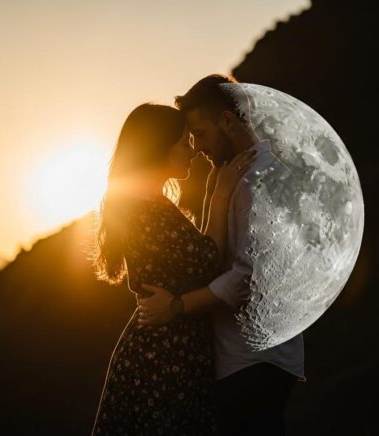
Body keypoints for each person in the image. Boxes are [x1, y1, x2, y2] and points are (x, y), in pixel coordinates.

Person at [137, 74, 306, 436]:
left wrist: (176, 307)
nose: (197, 147)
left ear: (227, 121)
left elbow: (249, 277)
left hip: (254, 362)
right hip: (244, 360)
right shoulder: (232, 174)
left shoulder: (259, 179)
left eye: (200, 133)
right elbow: (209, 259)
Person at [91, 102, 256, 435]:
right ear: (159, 149)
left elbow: (196, 257)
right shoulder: (148, 209)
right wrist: (222, 193)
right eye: (184, 143)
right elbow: (207, 258)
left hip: (165, 349)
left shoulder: (148, 204)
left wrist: (213, 192)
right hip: (164, 356)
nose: (193, 151)